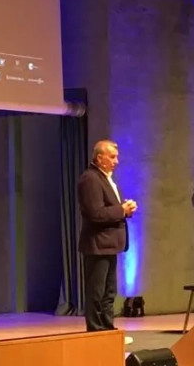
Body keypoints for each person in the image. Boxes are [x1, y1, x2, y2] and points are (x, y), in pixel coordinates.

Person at [77, 140, 138, 340]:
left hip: (109, 244)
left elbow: (107, 210)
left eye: (116, 156)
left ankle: (107, 331)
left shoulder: (106, 178)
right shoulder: (90, 179)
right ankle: (96, 333)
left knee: (108, 293)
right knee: (96, 292)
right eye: (112, 157)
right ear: (99, 158)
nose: (116, 161)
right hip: (97, 244)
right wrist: (121, 210)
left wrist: (125, 211)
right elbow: (95, 213)